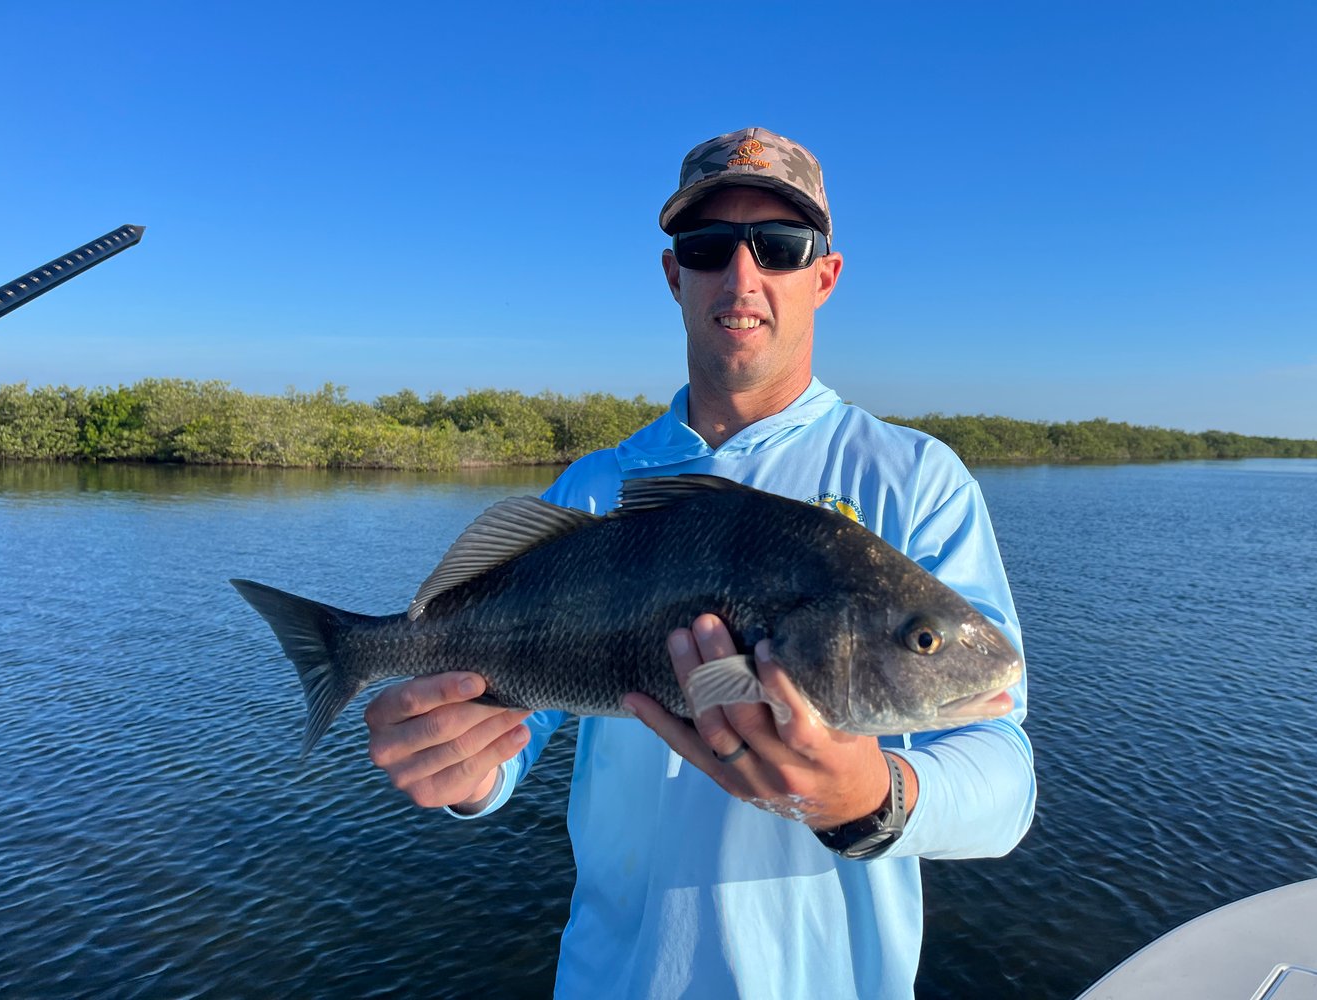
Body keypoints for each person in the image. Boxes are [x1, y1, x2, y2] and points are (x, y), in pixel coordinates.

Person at [364, 127, 1036, 999]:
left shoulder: (914, 478)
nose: (742, 276)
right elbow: (518, 727)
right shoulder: (594, 485)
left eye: (780, 246)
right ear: (673, 274)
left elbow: (1004, 777)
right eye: (708, 246)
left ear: (823, 276)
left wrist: (873, 797)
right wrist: (459, 766)